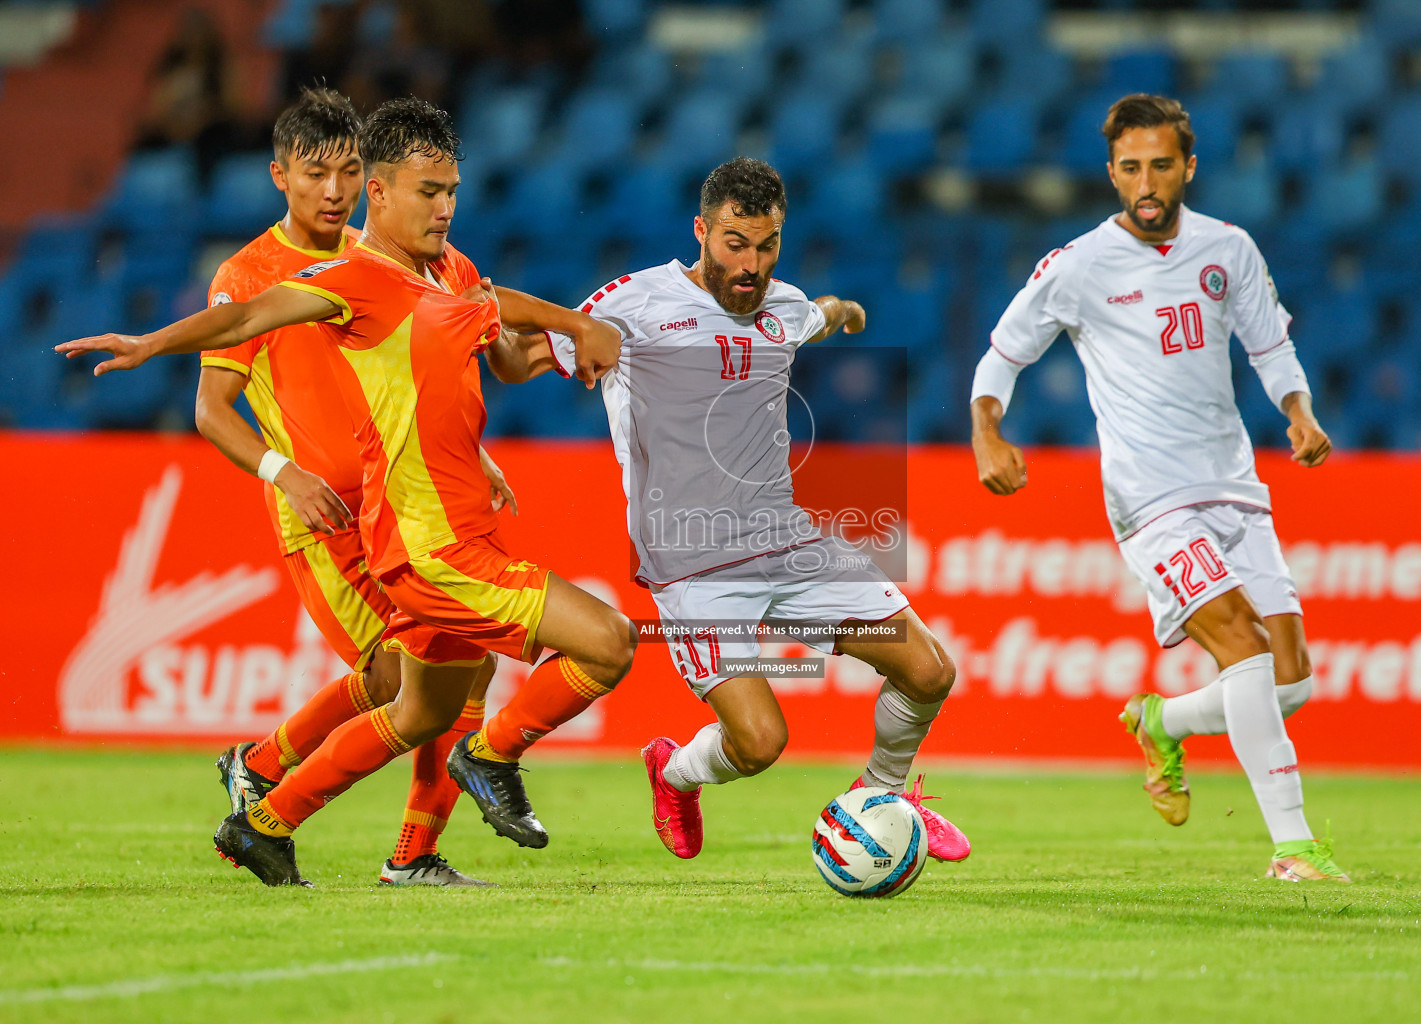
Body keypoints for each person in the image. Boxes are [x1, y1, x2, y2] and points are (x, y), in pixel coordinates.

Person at [58, 97, 634, 887]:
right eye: (428, 191)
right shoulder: (346, 278)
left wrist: (591, 341)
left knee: (422, 705)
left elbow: (493, 343)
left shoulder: (442, 268)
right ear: (383, 193)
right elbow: (243, 327)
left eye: (452, 190)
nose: (445, 206)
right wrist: (151, 343)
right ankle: (484, 760)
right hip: (409, 538)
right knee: (602, 643)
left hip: (425, 516)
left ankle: (269, 820)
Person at [497, 158, 970, 863]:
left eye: (767, 244)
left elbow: (811, 318)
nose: (750, 265)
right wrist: (482, 325)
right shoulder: (636, 303)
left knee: (931, 670)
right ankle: (675, 770)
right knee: (760, 744)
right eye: (734, 244)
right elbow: (516, 363)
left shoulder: (783, 304)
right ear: (701, 231)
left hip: (786, 540)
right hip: (692, 561)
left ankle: (885, 797)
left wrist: (841, 313)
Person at [969, 94, 1347, 882]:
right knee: (1240, 647)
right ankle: (1293, 848)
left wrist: (1299, 412)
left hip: (1233, 482)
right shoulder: (1077, 265)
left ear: (1188, 168)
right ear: (1111, 173)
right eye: (1131, 167)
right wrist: (987, 431)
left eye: (1162, 166)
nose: (1147, 182)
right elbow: (1002, 356)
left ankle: (1162, 721)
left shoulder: (1229, 247)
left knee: (1293, 680)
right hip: (1150, 496)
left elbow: (1271, 344)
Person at [195, 87, 505, 887]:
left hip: (394, 507)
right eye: (313, 174)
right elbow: (211, 411)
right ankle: (304, 803)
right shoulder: (249, 273)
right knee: (414, 672)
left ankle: (281, 781)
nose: (331, 192)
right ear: (279, 176)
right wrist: (282, 471)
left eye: (346, 173)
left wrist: (468, 455)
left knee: (450, 665)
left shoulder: (383, 266)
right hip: (323, 519)